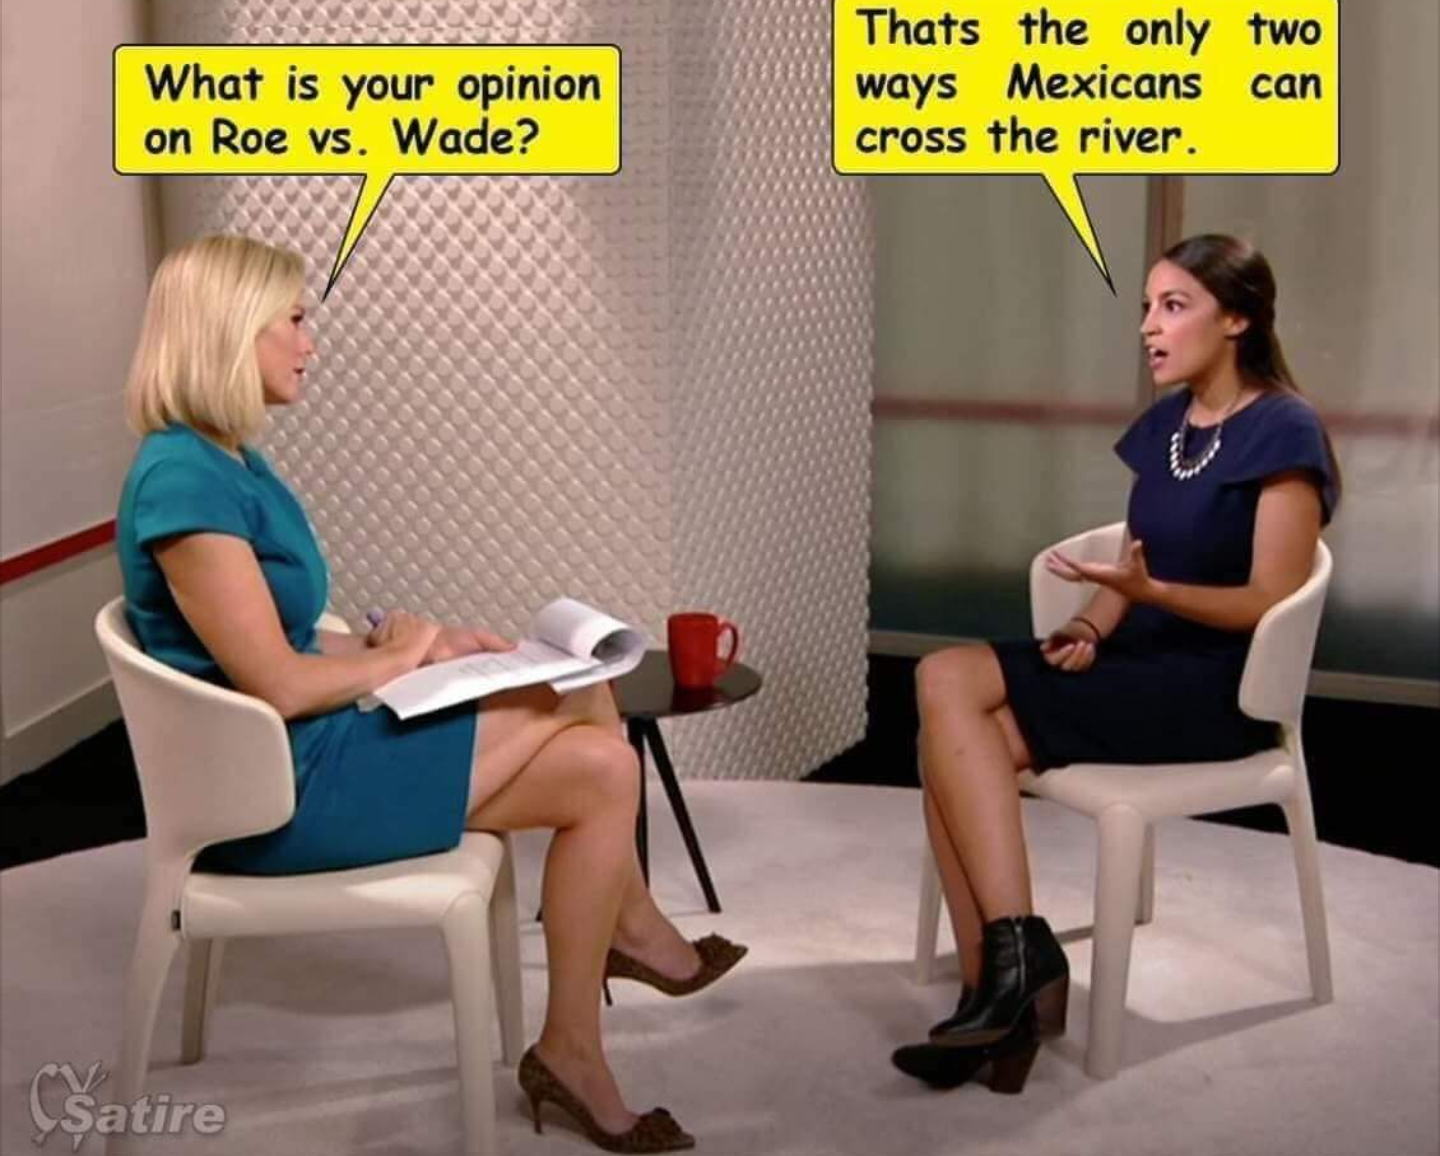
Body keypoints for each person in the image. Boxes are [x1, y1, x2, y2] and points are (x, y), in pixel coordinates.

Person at [116, 232, 746, 1152]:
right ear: (230, 328)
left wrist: (411, 645)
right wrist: (403, 657)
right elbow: (277, 683)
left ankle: (573, 1045)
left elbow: (286, 635)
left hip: (309, 753)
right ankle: (636, 929)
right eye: (294, 320)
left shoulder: (229, 460)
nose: (310, 342)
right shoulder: (182, 479)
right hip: (278, 793)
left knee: (603, 768)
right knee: (576, 696)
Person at [891, 233, 1341, 1091]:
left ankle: (1008, 981)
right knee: (943, 699)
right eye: (1146, 307)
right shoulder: (1169, 426)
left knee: (949, 713)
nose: (1148, 326)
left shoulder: (1286, 429)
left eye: (1174, 306)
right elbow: (1135, 567)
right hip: (1137, 659)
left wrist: (1148, 592)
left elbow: (1265, 600)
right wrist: (1092, 626)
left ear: (1237, 319)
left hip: (1218, 688)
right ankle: (1003, 988)